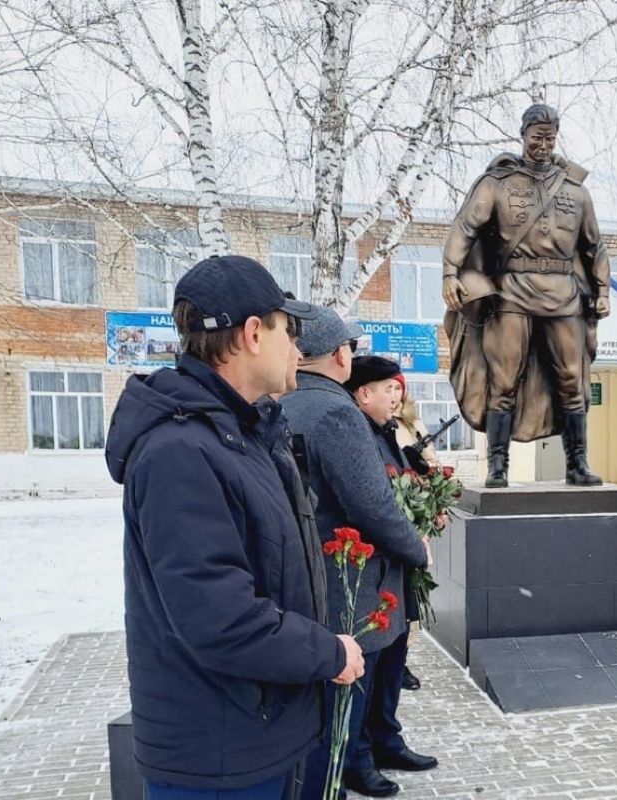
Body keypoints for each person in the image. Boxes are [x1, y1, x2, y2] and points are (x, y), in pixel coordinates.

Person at [104, 255, 365, 800]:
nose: (298, 349)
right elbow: (219, 618)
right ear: (252, 334)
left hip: (254, 732)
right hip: (216, 758)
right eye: (288, 331)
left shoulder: (245, 435)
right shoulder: (181, 451)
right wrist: (329, 653)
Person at [282, 312, 435, 800]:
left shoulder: (282, 402)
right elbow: (373, 506)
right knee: (346, 696)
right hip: (349, 577)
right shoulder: (334, 411)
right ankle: (342, 776)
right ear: (342, 356)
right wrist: (417, 548)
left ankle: (351, 764)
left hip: (303, 575)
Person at [442, 103, 610, 488]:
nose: (543, 146)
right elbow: (465, 228)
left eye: (550, 139)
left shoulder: (575, 191)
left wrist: (602, 290)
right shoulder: (498, 183)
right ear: (523, 136)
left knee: (572, 379)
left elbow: (595, 247)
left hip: (564, 295)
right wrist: (451, 272)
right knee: (504, 380)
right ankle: (498, 467)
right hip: (512, 293)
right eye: (537, 138)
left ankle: (577, 464)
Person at [389, 373, 437, 692]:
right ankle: (393, 659)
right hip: (390, 522)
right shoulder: (370, 425)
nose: (394, 395)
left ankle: (402, 655)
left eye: (398, 389)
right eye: (388, 388)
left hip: (415, 520)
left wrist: (424, 468)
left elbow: (434, 464)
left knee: (414, 596)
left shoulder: (412, 425)